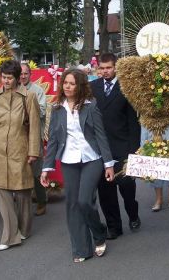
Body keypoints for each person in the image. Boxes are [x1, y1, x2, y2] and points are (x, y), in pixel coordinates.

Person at [40, 68, 115, 263]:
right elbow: (54, 140)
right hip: (68, 160)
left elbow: (100, 135)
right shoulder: (57, 108)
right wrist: (46, 168)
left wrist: (108, 164)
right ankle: (82, 249)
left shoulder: (91, 106)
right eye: (65, 82)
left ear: (80, 86)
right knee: (72, 204)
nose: (68, 86)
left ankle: (99, 232)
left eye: (72, 83)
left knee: (84, 201)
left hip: (92, 159)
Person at [0, 60, 41, 251]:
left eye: (9, 78)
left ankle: (25, 229)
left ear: (17, 79)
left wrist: (33, 151)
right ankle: (10, 237)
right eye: (4, 77)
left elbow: (34, 126)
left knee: (23, 192)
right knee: (3, 192)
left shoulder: (28, 97)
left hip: (20, 148)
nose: (6, 81)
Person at [90, 53, 141, 240]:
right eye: (102, 68)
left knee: (127, 188)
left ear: (115, 67)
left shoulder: (126, 87)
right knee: (105, 191)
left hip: (123, 147)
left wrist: (134, 151)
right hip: (100, 149)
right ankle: (114, 227)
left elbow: (134, 123)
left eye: (108, 68)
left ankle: (133, 213)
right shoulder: (92, 87)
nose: (105, 71)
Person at [140, 109, 169, 211]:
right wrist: (143, 145)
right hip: (153, 140)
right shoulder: (145, 101)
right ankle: (158, 199)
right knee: (155, 172)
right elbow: (144, 126)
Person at [20, 63, 47, 216]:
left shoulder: (37, 91)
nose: (23, 76)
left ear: (30, 74)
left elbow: (42, 112)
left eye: (25, 74)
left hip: (34, 136)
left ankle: (42, 201)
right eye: (20, 74)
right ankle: (23, 202)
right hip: (17, 137)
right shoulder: (12, 90)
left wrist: (25, 113)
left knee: (36, 171)